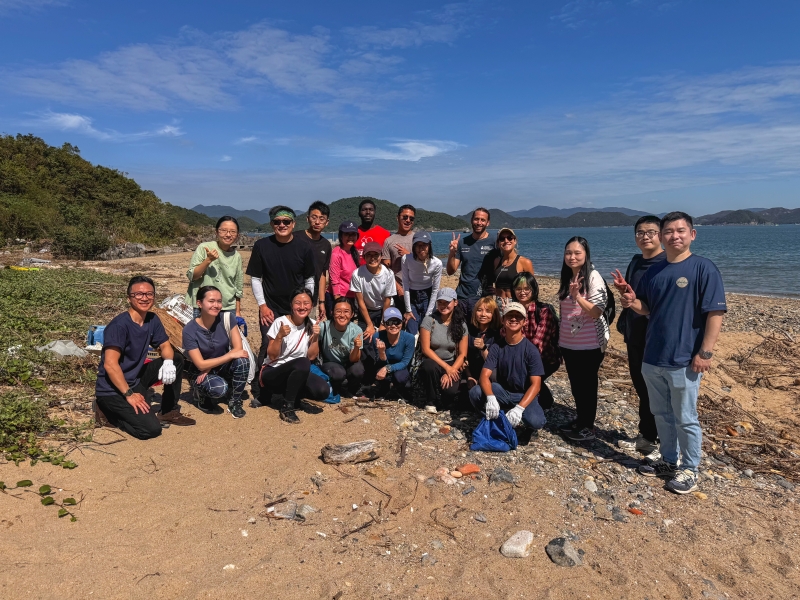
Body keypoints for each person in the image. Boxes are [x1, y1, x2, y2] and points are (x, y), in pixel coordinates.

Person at [619, 212, 726, 495]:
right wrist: (632, 302)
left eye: (680, 231)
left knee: (685, 416)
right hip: (653, 356)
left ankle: (690, 468)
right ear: (662, 236)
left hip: (684, 358)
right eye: (669, 231)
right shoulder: (654, 271)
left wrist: (706, 352)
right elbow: (648, 308)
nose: (674, 236)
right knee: (661, 413)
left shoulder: (704, 268)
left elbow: (715, 313)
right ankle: (668, 460)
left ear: (692, 234)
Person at [95, 276, 194, 439]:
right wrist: (129, 395)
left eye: (149, 294)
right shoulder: (119, 326)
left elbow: (165, 346)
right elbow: (110, 365)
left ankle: (168, 411)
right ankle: (106, 411)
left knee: (176, 359)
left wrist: (168, 362)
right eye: (139, 294)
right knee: (151, 430)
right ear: (129, 298)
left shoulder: (152, 319)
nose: (145, 298)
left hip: (135, 379)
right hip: (112, 388)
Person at [247, 206, 316, 405]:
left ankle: (293, 387)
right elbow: (256, 278)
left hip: (297, 308)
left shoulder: (304, 247)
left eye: (286, 222)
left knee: (300, 347)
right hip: (271, 307)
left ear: (294, 224)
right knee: (268, 346)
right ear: (272, 224)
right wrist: (262, 305)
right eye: (277, 222)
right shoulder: (262, 246)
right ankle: (262, 392)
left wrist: (307, 304)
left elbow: (309, 278)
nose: (282, 225)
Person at [610, 215, 666, 458]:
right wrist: (624, 291)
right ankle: (646, 437)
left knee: (659, 392)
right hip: (634, 334)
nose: (645, 237)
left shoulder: (668, 263)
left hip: (658, 338)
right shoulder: (635, 262)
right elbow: (634, 296)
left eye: (651, 232)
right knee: (642, 388)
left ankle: (666, 443)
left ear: (661, 235)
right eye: (640, 233)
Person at [557, 237, 609, 442]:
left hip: (590, 344)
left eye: (577, 253)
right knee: (576, 385)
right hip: (569, 344)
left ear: (586, 254)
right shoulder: (567, 276)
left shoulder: (594, 276)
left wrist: (578, 296)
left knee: (587, 386)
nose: (572, 257)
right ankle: (581, 420)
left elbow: (597, 312)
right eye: (568, 252)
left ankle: (589, 426)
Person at [469, 302, 546, 430]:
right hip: (502, 391)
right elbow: (484, 376)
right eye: (510, 316)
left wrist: (520, 408)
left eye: (518, 316)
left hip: (523, 394)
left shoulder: (531, 350)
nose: (514, 319)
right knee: (475, 392)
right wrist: (491, 397)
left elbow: (536, 385)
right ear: (503, 320)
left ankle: (514, 416)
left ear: (524, 322)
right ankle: (499, 420)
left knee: (536, 422)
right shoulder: (496, 347)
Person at [260, 288, 330, 424]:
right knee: (302, 363)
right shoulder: (280, 322)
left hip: (298, 371)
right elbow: (272, 356)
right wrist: (279, 336)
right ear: (291, 305)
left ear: (312, 305)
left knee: (322, 390)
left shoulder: (312, 324)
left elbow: (312, 357)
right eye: (298, 303)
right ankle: (288, 406)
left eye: (306, 303)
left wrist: (315, 337)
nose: (302, 307)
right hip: (273, 372)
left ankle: (295, 397)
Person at [182, 286, 251, 419]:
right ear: (199, 303)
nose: (216, 305)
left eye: (219, 301)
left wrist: (210, 366)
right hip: (199, 371)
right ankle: (200, 394)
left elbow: (238, 349)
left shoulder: (227, 318)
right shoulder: (189, 330)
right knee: (219, 388)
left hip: (220, 366)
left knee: (242, 361)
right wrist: (229, 355)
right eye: (211, 301)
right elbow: (201, 365)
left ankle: (235, 401)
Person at [511, 272, 561, 409]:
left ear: (533, 290)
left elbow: (538, 344)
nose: (522, 292)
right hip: (522, 356)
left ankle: (544, 402)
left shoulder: (544, 311)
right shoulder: (513, 310)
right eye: (518, 289)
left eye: (526, 289)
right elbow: (506, 336)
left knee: (524, 378)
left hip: (546, 358)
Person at [417, 288, 468, 412]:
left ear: (455, 302)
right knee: (430, 366)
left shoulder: (461, 324)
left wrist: (451, 370)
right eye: (440, 302)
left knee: (450, 391)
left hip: (451, 362)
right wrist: (447, 368)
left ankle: (445, 398)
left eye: (447, 302)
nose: (443, 306)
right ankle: (431, 400)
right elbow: (426, 349)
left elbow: (462, 354)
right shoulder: (429, 320)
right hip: (433, 361)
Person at [185, 216, 244, 318]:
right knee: (202, 334)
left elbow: (238, 286)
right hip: (202, 306)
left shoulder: (237, 256)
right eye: (223, 231)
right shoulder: (204, 248)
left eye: (233, 232)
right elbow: (193, 276)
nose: (228, 234)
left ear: (237, 235)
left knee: (226, 334)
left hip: (227, 307)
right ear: (217, 232)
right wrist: (208, 260)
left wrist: (237, 311)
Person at [446, 207, 497, 316]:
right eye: (476, 219)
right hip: (462, 296)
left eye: (483, 220)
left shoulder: (494, 243)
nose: (479, 223)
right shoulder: (462, 242)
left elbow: (503, 266)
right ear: (471, 220)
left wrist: (499, 289)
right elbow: (451, 271)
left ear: (488, 223)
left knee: (479, 331)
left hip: (484, 297)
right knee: (461, 331)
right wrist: (452, 253)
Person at [318, 297, 365, 398]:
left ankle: (350, 390)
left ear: (352, 314)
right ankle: (336, 388)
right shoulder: (324, 327)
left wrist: (356, 347)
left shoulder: (356, 330)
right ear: (332, 313)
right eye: (338, 311)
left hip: (348, 362)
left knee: (358, 370)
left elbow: (354, 359)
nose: (342, 315)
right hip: (330, 362)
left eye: (346, 312)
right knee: (338, 373)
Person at [364, 307, 415, 399]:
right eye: (389, 322)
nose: (394, 326)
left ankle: (398, 391)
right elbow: (378, 362)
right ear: (384, 324)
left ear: (402, 322)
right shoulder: (377, 337)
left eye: (397, 322)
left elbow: (405, 362)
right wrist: (382, 353)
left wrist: (387, 368)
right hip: (382, 368)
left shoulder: (409, 338)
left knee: (400, 377)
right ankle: (385, 389)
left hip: (400, 368)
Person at [350, 241, 395, 340]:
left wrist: (383, 322)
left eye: (376, 255)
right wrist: (369, 324)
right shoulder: (357, 274)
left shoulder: (388, 273)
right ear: (364, 257)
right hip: (367, 309)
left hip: (385, 308)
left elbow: (388, 300)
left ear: (381, 256)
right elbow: (360, 301)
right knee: (365, 338)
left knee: (385, 337)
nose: (373, 258)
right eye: (369, 255)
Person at [401, 231, 443, 335]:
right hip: (412, 296)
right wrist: (408, 310)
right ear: (414, 247)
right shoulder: (406, 259)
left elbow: (435, 290)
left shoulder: (437, 263)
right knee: (412, 331)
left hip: (427, 296)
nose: (421, 248)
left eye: (424, 245)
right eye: (418, 245)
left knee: (427, 330)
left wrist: (429, 314)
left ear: (430, 246)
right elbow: (405, 285)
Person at [382, 204, 416, 314]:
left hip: (417, 288)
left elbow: (427, 264)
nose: (408, 220)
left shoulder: (418, 239)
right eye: (405, 217)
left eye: (411, 218)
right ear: (397, 218)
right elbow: (387, 270)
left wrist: (409, 255)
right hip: (397, 291)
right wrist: (398, 288)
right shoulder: (389, 241)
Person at [305, 201, 332, 321]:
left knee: (307, 334)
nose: (317, 222)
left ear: (327, 222)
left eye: (322, 219)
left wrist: (321, 302)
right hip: (290, 297)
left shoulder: (326, 245)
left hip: (312, 299)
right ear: (307, 219)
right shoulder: (295, 238)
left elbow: (322, 275)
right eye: (314, 217)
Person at [491, 227, 535, 300]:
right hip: (499, 302)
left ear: (515, 241)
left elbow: (532, 287)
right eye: (502, 239)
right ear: (498, 243)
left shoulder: (524, 262)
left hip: (516, 303)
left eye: (510, 238)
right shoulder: (496, 261)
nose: (506, 241)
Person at [466, 296, 501, 384]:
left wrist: (483, 348)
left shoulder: (498, 334)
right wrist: (469, 376)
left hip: (489, 376)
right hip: (469, 375)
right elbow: (463, 357)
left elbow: (494, 364)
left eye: (488, 311)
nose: (483, 314)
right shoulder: (469, 331)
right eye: (479, 310)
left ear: (494, 314)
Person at [328, 220, 360, 314]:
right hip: (339, 297)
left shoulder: (353, 251)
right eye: (347, 234)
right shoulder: (336, 254)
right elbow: (334, 280)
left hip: (351, 296)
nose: (350, 237)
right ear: (341, 236)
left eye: (353, 234)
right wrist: (338, 303)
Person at [355, 198, 391, 264]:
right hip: (357, 273)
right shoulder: (353, 234)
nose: (368, 212)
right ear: (359, 213)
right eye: (364, 210)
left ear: (375, 213)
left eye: (371, 210)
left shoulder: (386, 234)